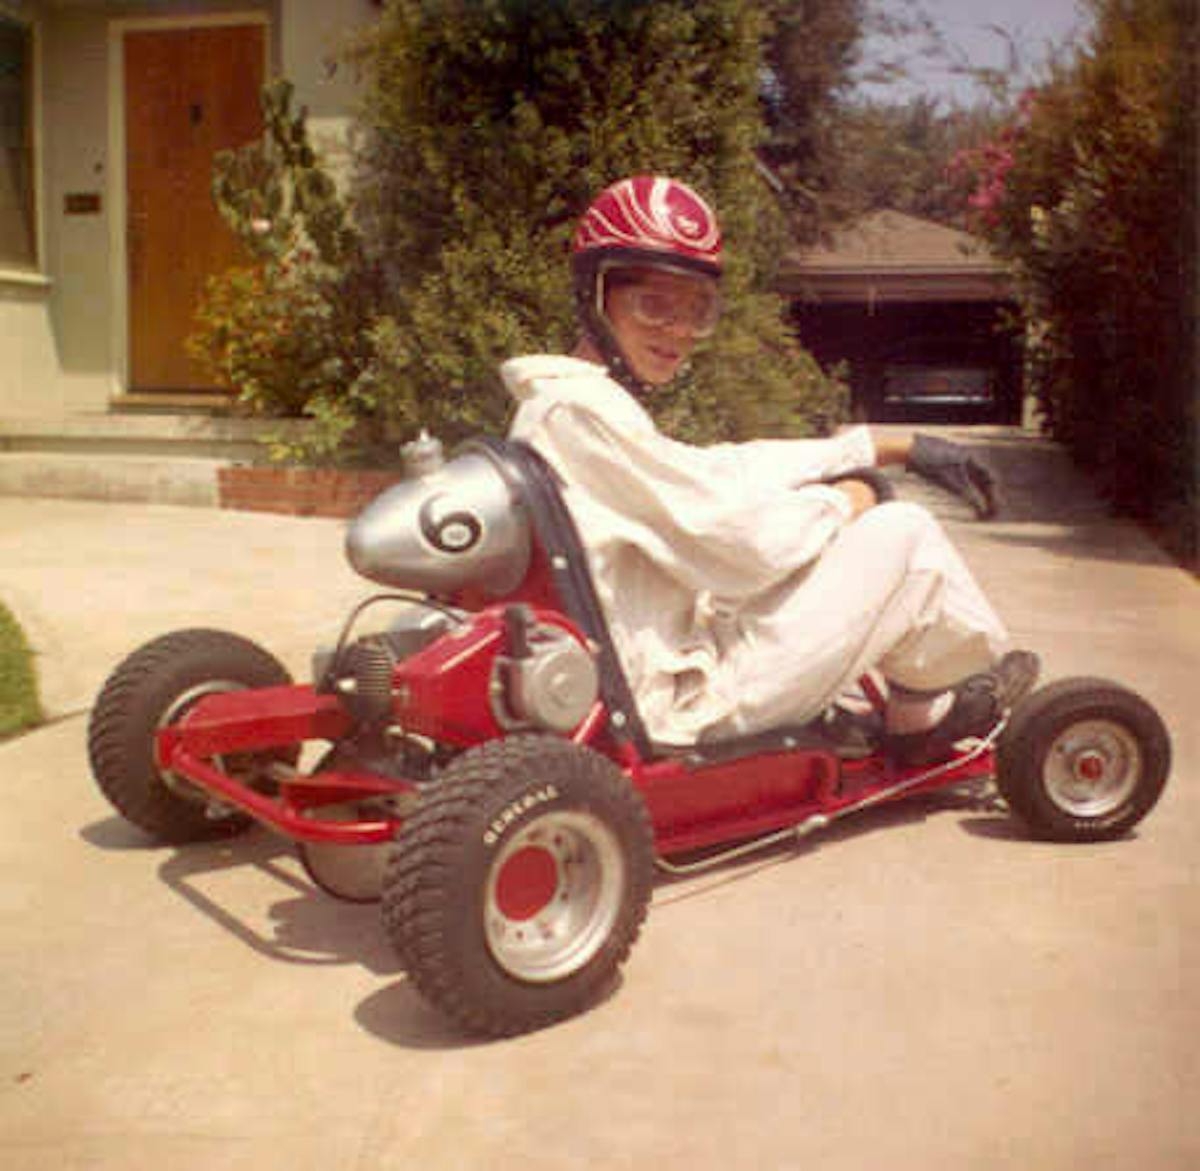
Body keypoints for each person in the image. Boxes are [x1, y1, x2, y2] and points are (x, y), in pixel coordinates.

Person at [502, 175, 1037, 764]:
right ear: (596, 296)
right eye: (653, 304)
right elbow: (742, 547)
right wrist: (850, 499)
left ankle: (922, 703)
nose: (678, 332)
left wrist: (882, 446)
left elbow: (718, 472)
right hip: (682, 707)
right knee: (904, 534)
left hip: (658, 674)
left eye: (696, 310)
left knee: (845, 534)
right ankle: (919, 716)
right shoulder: (582, 416)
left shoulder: (565, 405)